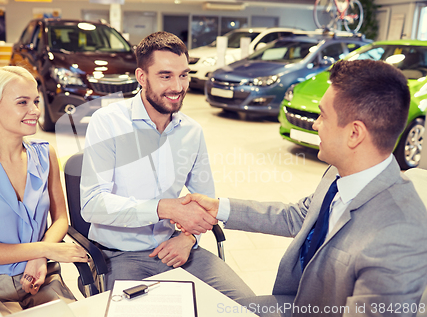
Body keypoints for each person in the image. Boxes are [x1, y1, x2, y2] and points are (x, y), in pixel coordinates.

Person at [182, 59, 427, 316]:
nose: (315, 123)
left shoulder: (400, 235)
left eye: (323, 115)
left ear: (355, 134)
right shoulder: (340, 171)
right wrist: (219, 208)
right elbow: (300, 216)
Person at [79, 31, 254, 300]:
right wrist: (162, 208)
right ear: (141, 77)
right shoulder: (108, 122)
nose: (177, 86)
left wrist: (188, 239)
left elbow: (205, 202)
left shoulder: (192, 132)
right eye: (165, 76)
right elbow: (92, 205)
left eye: (183, 75)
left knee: (248, 305)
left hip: (177, 247)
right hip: (120, 256)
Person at [0, 66, 88, 315]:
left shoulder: (46, 154)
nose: (34, 110)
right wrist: (45, 249)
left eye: (35, 101)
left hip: (40, 276)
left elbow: (60, 220)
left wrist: (39, 258)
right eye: (22, 102)